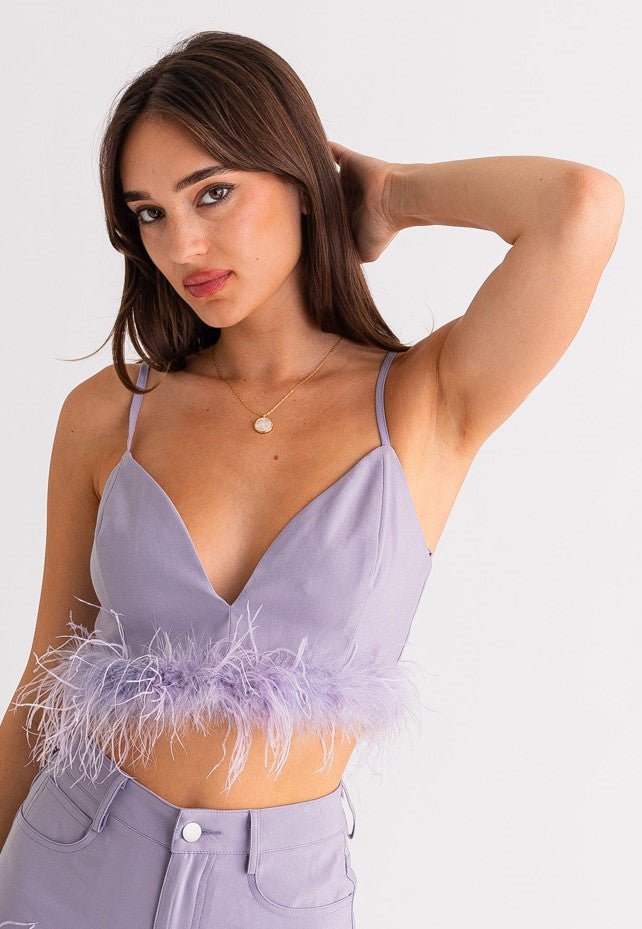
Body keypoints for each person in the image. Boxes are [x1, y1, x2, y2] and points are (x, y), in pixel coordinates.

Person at [0, 28, 623, 929]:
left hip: (275, 899)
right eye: (151, 214)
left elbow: (581, 206)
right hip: (67, 870)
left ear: (298, 178)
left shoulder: (423, 403)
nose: (185, 244)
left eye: (213, 193)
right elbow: (41, 688)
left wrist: (390, 196)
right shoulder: (110, 413)